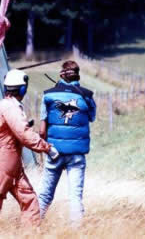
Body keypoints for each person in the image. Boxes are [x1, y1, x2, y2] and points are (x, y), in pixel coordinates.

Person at [0, 69, 59, 229]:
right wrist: (47, 148)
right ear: (23, 89)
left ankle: (29, 234)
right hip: (4, 166)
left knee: (30, 201)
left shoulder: (0, 106)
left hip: (8, 166)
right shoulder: (11, 108)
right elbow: (24, 135)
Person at [38, 60, 96, 224]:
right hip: (77, 153)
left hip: (54, 151)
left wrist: (44, 146)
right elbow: (91, 117)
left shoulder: (48, 95)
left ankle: (34, 227)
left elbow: (42, 130)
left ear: (61, 74)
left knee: (45, 194)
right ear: (78, 75)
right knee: (75, 196)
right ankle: (76, 231)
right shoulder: (87, 95)